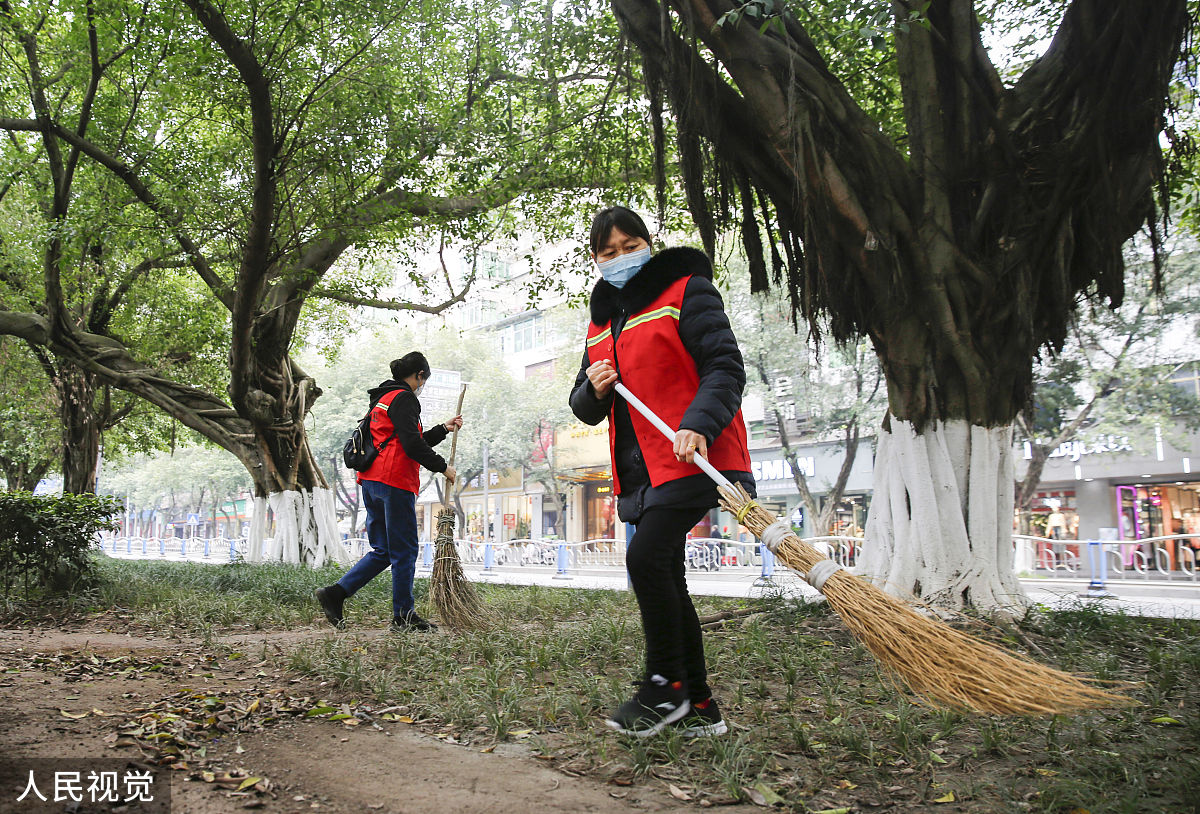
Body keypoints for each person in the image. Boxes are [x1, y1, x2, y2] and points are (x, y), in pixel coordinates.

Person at [570, 206, 755, 737]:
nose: (622, 258)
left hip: (696, 458)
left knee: (645, 557)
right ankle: (700, 708)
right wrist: (594, 387)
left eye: (631, 245)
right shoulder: (601, 321)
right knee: (667, 575)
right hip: (640, 472)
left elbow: (724, 366)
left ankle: (664, 686)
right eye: (609, 252)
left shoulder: (686, 291)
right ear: (596, 260)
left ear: (648, 243)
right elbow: (583, 405)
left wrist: (699, 423)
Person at [316, 352, 462, 633]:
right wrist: (443, 467)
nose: (423, 385)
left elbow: (406, 439)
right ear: (419, 375)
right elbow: (411, 446)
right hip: (395, 482)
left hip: (372, 481)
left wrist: (443, 428)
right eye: (424, 380)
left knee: (384, 550)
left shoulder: (383, 398)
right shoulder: (406, 398)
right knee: (405, 550)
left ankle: (335, 593)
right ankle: (404, 616)